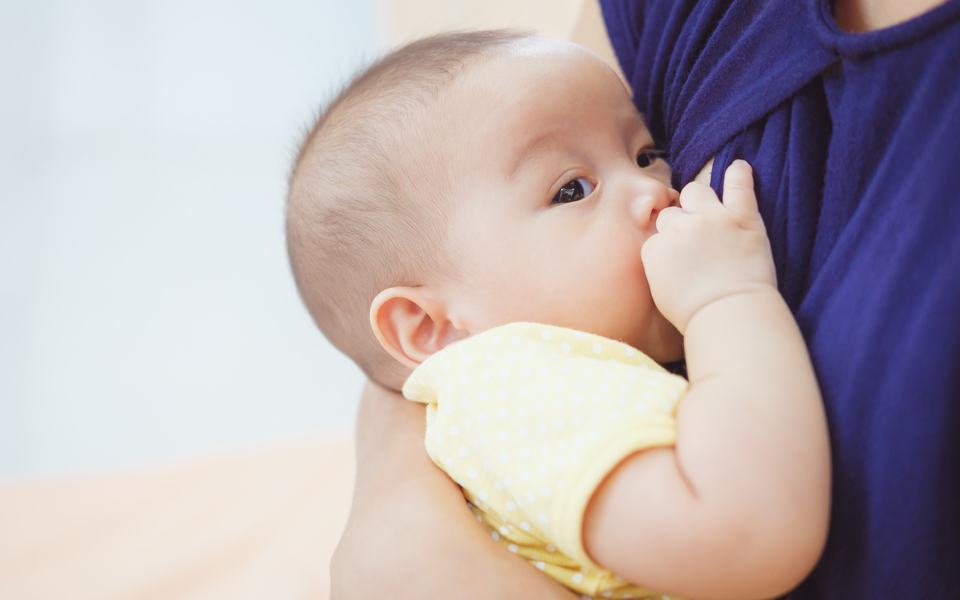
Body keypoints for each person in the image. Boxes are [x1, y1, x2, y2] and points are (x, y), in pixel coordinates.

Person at [329, 0, 960, 598]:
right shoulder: (516, 386)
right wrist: (727, 299)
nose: (658, 191)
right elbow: (743, 533)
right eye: (572, 190)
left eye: (647, 153)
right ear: (429, 327)